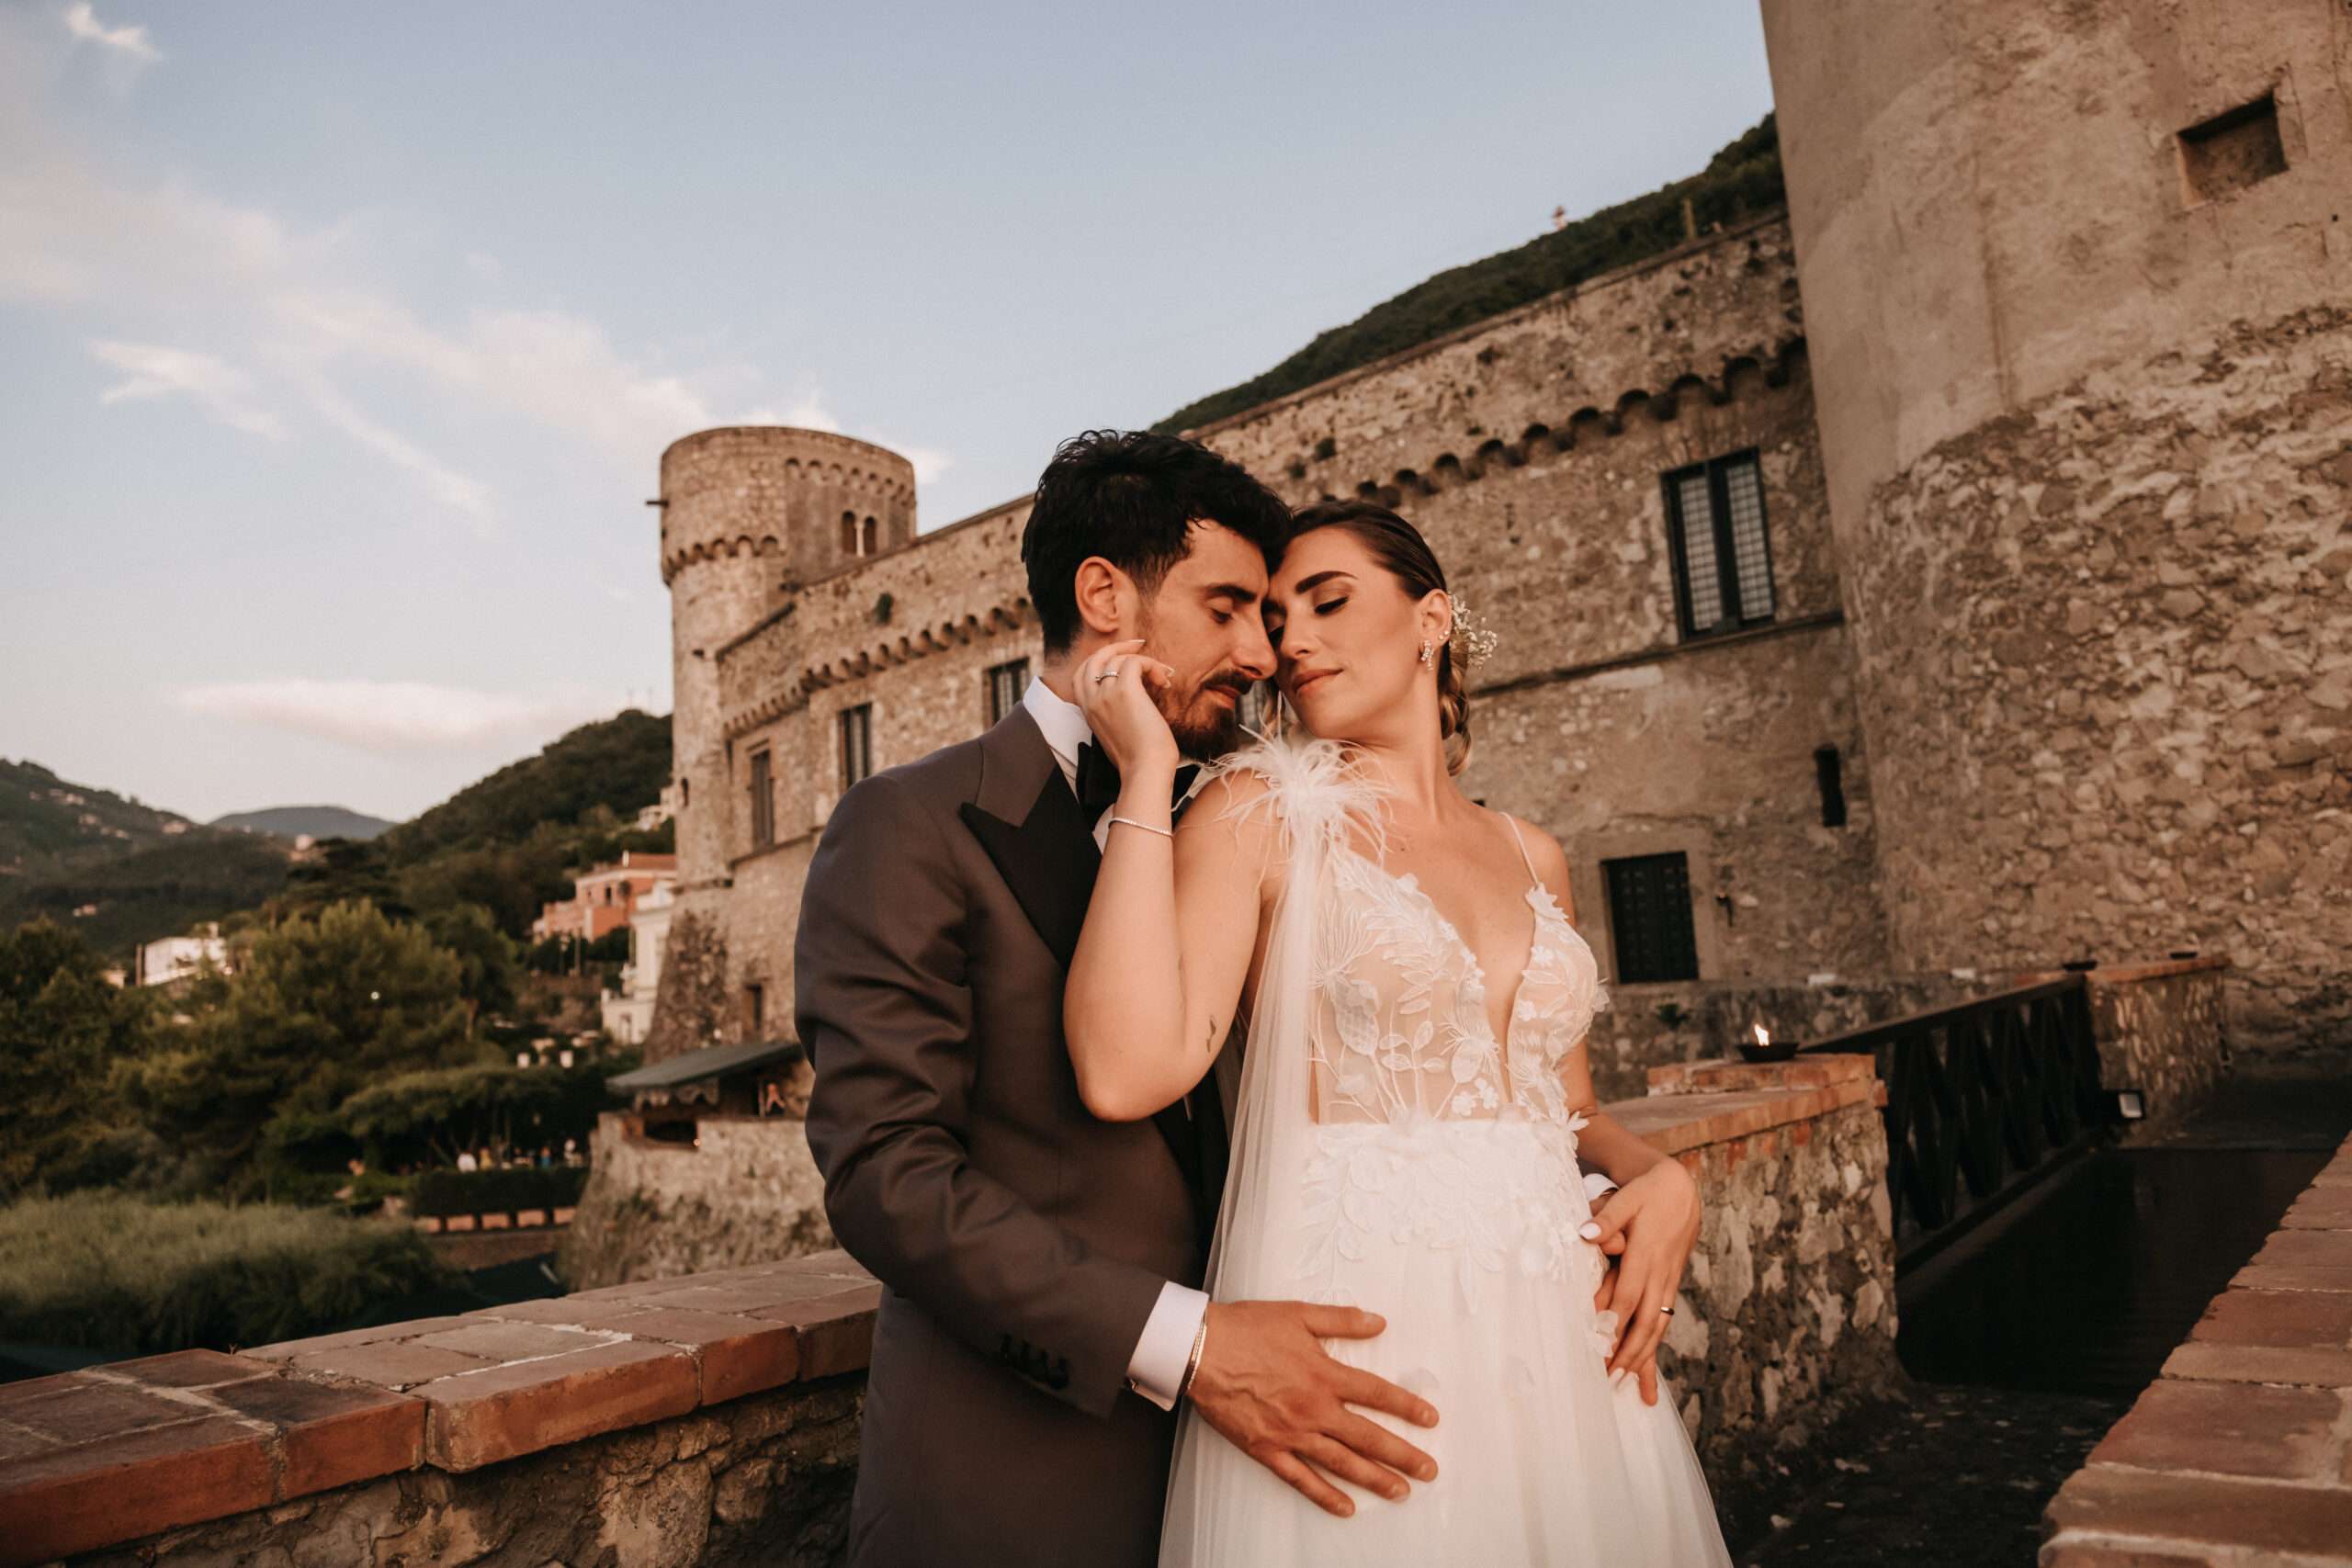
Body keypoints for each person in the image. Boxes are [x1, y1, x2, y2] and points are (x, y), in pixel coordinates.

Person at [800, 434, 1474, 1566]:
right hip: (1017, 1482)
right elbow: (885, 1177)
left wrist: (1615, 1175)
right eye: (1227, 609)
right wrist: (1193, 1346)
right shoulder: (908, 823)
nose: (1264, 653)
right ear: (1105, 597)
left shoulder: (1262, 814)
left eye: (1269, 617)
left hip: (1279, 1479)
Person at [1064, 500, 1732, 1564]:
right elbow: (1121, 1071)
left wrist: (1664, 1179)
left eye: (1327, 603)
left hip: (1564, 1334)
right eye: (1276, 620)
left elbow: (1569, 1109)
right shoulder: (1256, 813)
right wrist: (1147, 771)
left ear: (1431, 619)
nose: (1292, 641)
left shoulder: (1531, 853)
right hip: (1367, 1329)